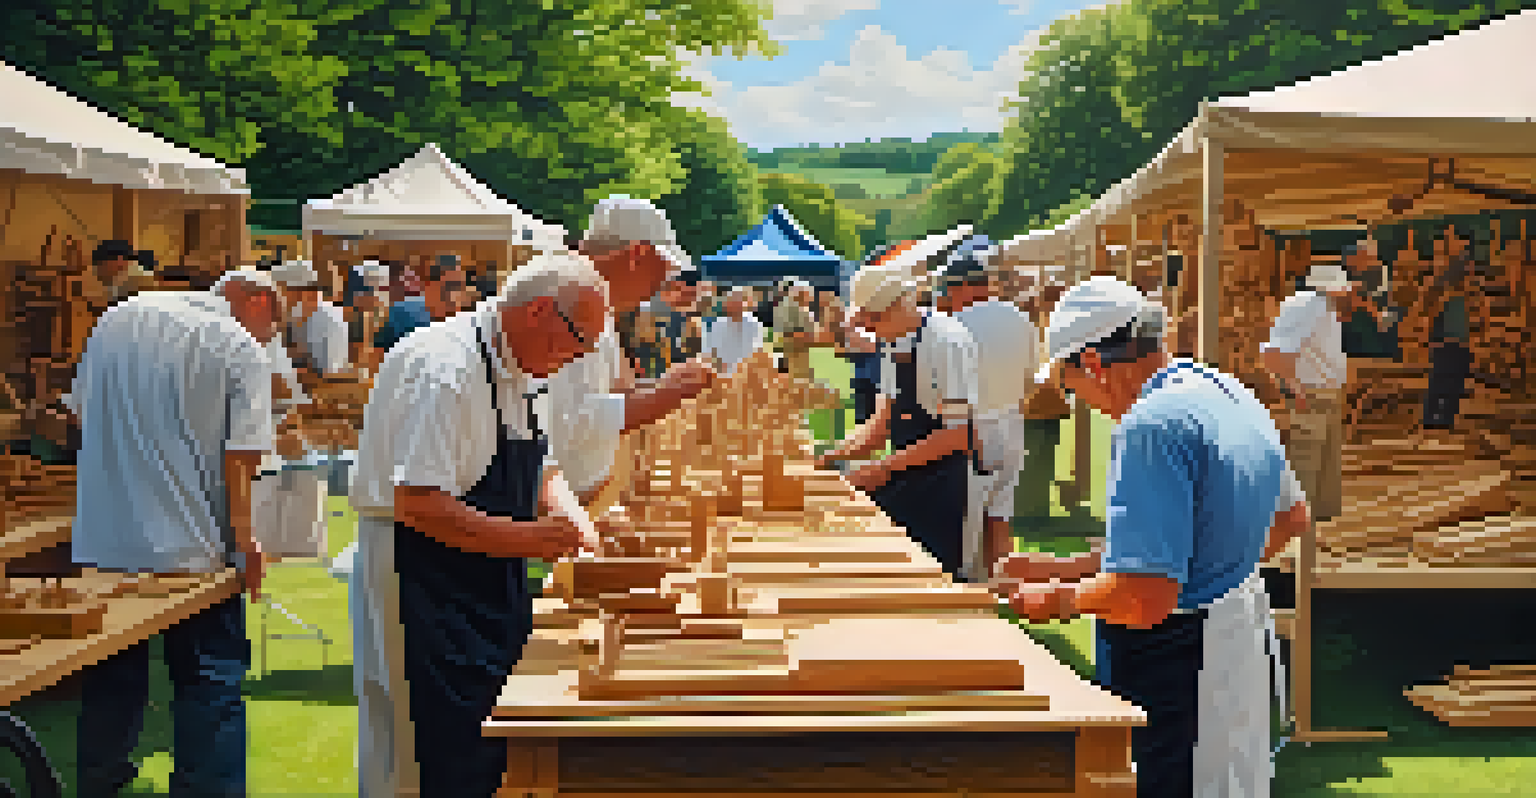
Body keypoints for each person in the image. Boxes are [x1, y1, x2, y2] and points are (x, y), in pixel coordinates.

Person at [1000, 276, 1306, 798]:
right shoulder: (1226, 391)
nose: (1085, 405)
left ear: (1093, 363)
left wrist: (1059, 599)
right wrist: (1075, 565)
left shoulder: (1149, 425)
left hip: (1182, 666)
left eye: (1073, 389)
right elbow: (1288, 517)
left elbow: (1143, 600)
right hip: (1235, 635)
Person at [349, 251, 607, 798]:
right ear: (539, 311)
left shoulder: (523, 369)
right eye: (578, 340)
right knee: (423, 756)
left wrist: (575, 522)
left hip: (485, 577)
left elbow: (543, 468)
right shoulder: (447, 368)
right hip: (418, 578)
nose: (578, 358)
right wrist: (534, 539)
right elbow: (419, 503)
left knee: (484, 747)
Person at [65, 267, 283, 796]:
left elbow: (79, 416)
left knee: (110, 682)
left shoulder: (115, 320)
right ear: (252, 302)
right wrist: (246, 538)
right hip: (196, 550)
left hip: (106, 543)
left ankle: (98, 784)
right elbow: (243, 456)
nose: (272, 335)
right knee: (210, 681)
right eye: (274, 322)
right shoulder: (238, 345)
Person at [549, 195, 717, 504]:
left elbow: (613, 392)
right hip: (549, 512)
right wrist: (669, 393)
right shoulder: (565, 304)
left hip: (571, 503)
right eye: (661, 272)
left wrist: (666, 385)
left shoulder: (599, 305)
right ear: (636, 255)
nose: (662, 285)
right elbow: (568, 420)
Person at [815, 266, 979, 578]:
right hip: (907, 468)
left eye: (872, 319)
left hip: (943, 481)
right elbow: (879, 427)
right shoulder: (892, 343)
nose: (868, 329)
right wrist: (828, 457)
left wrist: (884, 468)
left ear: (901, 304)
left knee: (933, 571)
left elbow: (959, 435)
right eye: (864, 321)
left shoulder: (946, 342)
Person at [942, 248, 1038, 583]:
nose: (949, 299)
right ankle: (1004, 584)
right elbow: (1031, 380)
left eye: (950, 291)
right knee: (1000, 513)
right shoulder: (1021, 319)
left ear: (964, 288)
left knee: (968, 515)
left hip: (973, 429)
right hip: (1012, 424)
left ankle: (972, 586)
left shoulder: (955, 326)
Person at [1260, 260, 1358, 522]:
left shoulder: (1324, 309)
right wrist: (1292, 386)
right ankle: (1296, 531)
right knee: (1307, 463)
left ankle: (1316, 528)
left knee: (1325, 464)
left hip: (1325, 391)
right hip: (1313, 391)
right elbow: (1274, 352)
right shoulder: (1308, 306)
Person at [271, 260, 350, 377]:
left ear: (302, 293)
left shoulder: (328, 320)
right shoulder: (296, 315)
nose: (276, 298)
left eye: (280, 292)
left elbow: (326, 374)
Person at [373, 256, 468, 351]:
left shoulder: (461, 319)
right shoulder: (403, 312)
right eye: (451, 286)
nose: (456, 294)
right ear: (432, 283)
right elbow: (379, 351)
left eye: (460, 286)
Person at [702, 286, 766, 376]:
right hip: (721, 372)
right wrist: (718, 367)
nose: (736, 305)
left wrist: (744, 369)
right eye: (732, 302)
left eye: (739, 302)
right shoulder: (718, 324)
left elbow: (757, 351)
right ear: (726, 305)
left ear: (745, 304)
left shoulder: (753, 323)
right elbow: (708, 351)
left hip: (747, 373)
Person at [774, 281, 818, 381]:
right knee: (790, 380)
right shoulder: (786, 307)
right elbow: (787, 333)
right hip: (790, 352)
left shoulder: (805, 310)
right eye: (805, 294)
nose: (809, 297)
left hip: (802, 352)